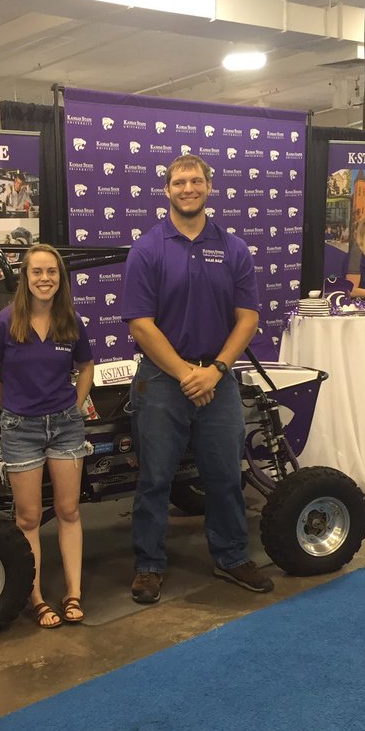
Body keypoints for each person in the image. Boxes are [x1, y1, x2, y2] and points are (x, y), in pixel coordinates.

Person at [120, 153, 274, 605]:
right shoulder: (148, 248)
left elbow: (248, 319)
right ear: (166, 190)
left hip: (217, 378)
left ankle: (231, 556)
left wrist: (216, 371)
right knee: (155, 479)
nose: (187, 188)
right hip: (162, 380)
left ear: (209, 186)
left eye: (195, 181)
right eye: (179, 182)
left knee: (225, 475)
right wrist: (188, 373)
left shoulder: (233, 248)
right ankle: (149, 565)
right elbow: (140, 324)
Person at [0, 243, 93, 628]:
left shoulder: (70, 320)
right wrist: (14, 409)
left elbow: (87, 366)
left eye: (52, 272)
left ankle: (73, 593)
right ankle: (37, 599)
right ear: (25, 278)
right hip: (21, 430)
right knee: (28, 517)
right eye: (37, 272)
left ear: (60, 278)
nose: (45, 279)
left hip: (66, 427)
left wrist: (76, 404)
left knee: (68, 511)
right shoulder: (4, 322)